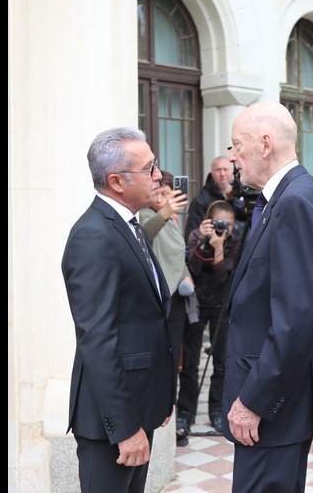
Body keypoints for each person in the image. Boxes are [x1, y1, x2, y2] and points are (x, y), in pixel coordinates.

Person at [222, 101, 313, 492]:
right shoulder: (285, 196)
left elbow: (296, 319)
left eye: (237, 145)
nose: (233, 156)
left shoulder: (294, 201)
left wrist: (253, 401)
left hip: (274, 406)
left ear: (265, 144)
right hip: (274, 401)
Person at [61, 127, 176, 493]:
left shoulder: (131, 226)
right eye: (150, 168)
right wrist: (125, 428)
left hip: (139, 407)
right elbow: (98, 340)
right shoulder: (94, 235)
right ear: (117, 181)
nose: (159, 175)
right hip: (113, 423)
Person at [137, 170, 196, 444]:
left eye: (168, 193)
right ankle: (160, 420)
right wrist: (165, 211)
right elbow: (144, 239)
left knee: (175, 362)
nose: (164, 197)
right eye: (160, 193)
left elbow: (177, 253)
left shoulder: (170, 219)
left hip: (178, 295)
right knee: (161, 362)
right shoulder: (147, 217)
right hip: (160, 300)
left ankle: (171, 421)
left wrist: (186, 273)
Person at [182, 200, 244, 435]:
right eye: (218, 223)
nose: (222, 229)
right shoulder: (196, 235)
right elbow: (193, 269)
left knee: (222, 363)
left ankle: (217, 412)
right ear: (207, 221)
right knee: (189, 363)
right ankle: (186, 414)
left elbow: (222, 277)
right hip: (196, 303)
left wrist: (218, 248)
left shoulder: (236, 239)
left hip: (221, 304)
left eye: (227, 224)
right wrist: (202, 241)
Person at [185, 155, 248, 240]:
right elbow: (191, 234)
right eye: (218, 170)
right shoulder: (201, 199)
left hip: (236, 248)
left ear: (232, 172)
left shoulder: (242, 194)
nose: (222, 174)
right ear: (212, 174)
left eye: (225, 169)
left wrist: (232, 201)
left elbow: (245, 224)